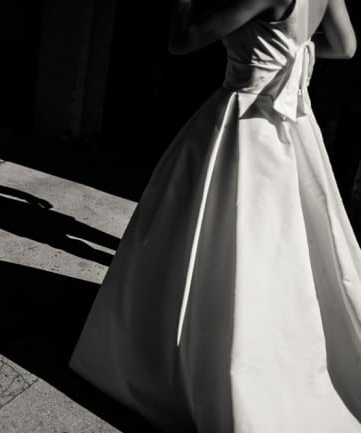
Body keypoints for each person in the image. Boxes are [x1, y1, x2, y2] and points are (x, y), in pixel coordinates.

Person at [69, 0, 360, 431]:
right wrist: (293, 49)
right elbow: (346, 48)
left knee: (215, 235)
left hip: (244, 123)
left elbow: (182, 43)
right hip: (295, 128)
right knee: (288, 247)